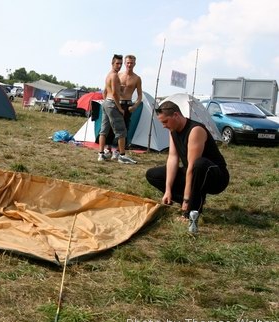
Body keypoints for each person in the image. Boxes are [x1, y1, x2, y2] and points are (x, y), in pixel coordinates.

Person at [145, 101, 230, 231]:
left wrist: (187, 199)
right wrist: (168, 190)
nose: (164, 126)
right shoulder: (172, 131)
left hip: (216, 177)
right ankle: (191, 200)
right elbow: (173, 158)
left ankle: (191, 210)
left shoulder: (196, 130)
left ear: (176, 115)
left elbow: (192, 166)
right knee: (152, 174)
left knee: (199, 164)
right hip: (194, 171)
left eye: (165, 122)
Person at [98, 54, 137, 164]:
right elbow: (114, 93)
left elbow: (105, 91)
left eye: (120, 63)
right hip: (112, 104)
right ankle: (122, 156)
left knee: (104, 130)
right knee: (121, 131)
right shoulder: (115, 75)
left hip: (106, 103)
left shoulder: (109, 75)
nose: (119, 66)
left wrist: (106, 101)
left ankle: (101, 154)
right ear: (112, 63)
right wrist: (119, 108)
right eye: (117, 63)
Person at [119, 55, 143, 135]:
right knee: (113, 124)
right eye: (128, 63)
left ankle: (123, 146)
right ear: (125, 63)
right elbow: (111, 90)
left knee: (125, 126)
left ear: (134, 64)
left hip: (128, 104)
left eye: (131, 63)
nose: (129, 65)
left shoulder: (137, 78)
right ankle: (109, 146)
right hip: (117, 102)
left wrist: (135, 106)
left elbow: (140, 95)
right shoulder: (118, 75)